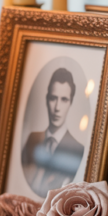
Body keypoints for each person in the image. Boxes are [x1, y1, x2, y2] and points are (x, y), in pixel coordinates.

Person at [22, 67, 85, 197]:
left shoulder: (77, 149)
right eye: (53, 98)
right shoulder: (33, 139)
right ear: (46, 99)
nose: (57, 107)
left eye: (64, 100)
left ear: (70, 103)